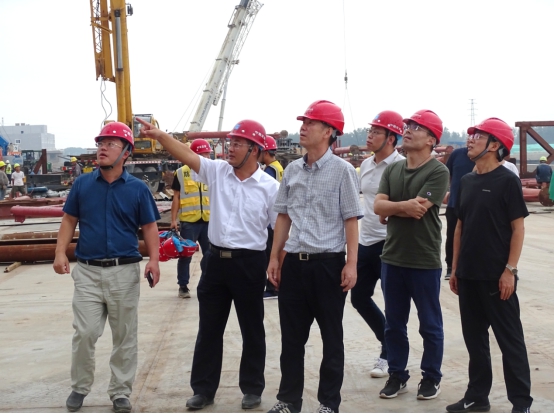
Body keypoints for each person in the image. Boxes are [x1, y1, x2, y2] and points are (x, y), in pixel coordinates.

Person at [138, 117, 279, 411]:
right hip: (215, 262)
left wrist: (276, 262)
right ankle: (203, 390)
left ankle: (252, 388)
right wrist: (160, 135)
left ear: (254, 149)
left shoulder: (270, 187)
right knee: (209, 329)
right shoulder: (217, 172)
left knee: (252, 329)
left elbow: (279, 229)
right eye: (230, 142)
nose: (230, 148)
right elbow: (186, 154)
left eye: (237, 143)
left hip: (250, 264)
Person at [53, 122, 161, 413]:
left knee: (125, 336)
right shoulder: (82, 184)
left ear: (126, 153)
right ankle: (79, 387)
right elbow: (69, 220)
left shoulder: (138, 189)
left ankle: (120, 392)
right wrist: (60, 253)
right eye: (101, 143)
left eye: (111, 143)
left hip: (124, 272)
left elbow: (150, 227)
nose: (102, 148)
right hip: (87, 271)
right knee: (85, 333)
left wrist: (153, 260)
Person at [267, 100, 362, 414]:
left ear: (328, 131)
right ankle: (289, 400)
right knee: (291, 339)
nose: (303, 128)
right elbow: (283, 217)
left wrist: (351, 263)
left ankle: (329, 403)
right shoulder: (293, 170)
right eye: (303, 122)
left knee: (332, 338)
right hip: (295, 264)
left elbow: (351, 219)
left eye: (310, 123)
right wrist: (275, 258)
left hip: (328, 266)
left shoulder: (343, 171)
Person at [447, 117, 533, 414]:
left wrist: (510, 270)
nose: (470, 140)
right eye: (471, 135)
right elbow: (459, 227)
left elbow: (518, 228)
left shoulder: (507, 181)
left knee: (510, 342)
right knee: (475, 342)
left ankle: (520, 403)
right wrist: (455, 268)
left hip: (497, 278)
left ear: (495, 145)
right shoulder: (467, 181)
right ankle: (477, 396)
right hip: (468, 275)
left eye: (478, 136)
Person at [374, 109, 449, 400]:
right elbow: (377, 206)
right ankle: (397, 374)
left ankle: (431, 377)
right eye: (408, 126)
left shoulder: (438, 172)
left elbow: (420, 208)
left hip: (423, 260)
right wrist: (399, 207)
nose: (408, 130)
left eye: (416, 127)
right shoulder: (393, 169)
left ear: (431, 140)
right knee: (394, 324)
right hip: (392, 258)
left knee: (429, 324)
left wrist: (392, 208)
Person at [353, 110, 405, 379]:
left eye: (376, 132)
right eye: (369, 131)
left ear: (391, 138)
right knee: (359, 297)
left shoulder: (402, 166)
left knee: (393, 305)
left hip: (391, 244)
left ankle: (390, 356)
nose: (369, 136)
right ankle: (386, 342)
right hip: (366, 241)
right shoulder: (366, 165)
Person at [170, 139, 212, 299]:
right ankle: (183, 286)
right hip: (189, 222)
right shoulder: (181, 173)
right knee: (185, 255)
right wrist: (173, 220)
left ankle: (208, 283)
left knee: (210, 256)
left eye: (208, 154)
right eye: (204, 154)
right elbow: (176, 197)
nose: (207, 157)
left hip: (208, 221)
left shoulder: (212, 172)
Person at [444, 143, 475, 280]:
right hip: (454, 204)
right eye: (470, 137)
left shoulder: (483, 157)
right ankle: (450, 267)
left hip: (475, 205)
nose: (471, 141)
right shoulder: (456, 155)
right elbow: (447, 174)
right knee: (452, 236)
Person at [258, 135, 283, 300]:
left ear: (265, 152)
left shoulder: (269, 171)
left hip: (271, 220)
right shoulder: (278, 167)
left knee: (269, 256)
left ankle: (272, 287)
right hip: (278, 217)